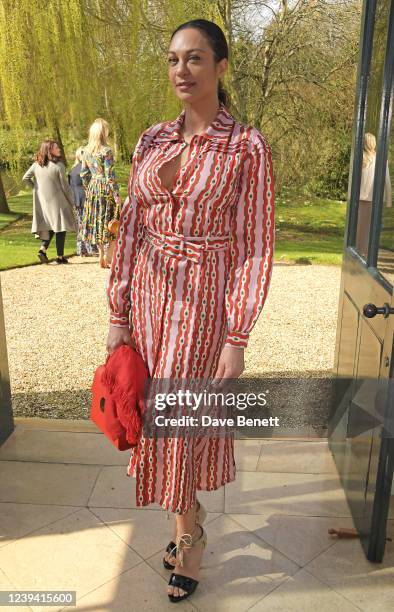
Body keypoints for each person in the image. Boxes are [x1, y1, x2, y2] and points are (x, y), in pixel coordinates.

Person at [105, 19, 275, 603]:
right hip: (150, 301)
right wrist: (118, 311)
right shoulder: (151, 140)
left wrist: (238, 334)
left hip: (204, 305)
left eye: (196, 59)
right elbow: (130, 228)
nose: (182, 70)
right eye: (174, 59)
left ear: (221, 67)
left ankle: (190, 535)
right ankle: (188, 524)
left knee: (181, 423)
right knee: (159, 416)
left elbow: (255, 245)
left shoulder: (245, 147)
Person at [22, 140, 76, 264]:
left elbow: (25, 178)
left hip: (43, 203)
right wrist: (72, 202)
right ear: (49, 150)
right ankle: (60, 257)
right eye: (56, 148)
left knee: (52, 225)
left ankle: (42, 249)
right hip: (58, 202)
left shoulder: (36, 165)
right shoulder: (59, 166)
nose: (59, 149)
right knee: (60, 227)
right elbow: (65, 187)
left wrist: (36, 189)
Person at [79, 118, 122, 268]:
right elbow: (110, 176)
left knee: (96, 221)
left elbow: (83, 174)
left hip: (93, 188)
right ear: (103, 132)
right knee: (111, 221)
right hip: (105, 188)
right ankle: (108, 256)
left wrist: (88, 188)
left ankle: (100, 254)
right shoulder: (106, 151)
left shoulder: (85, 151)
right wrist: (117, 196)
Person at [356, 132, 392, 257]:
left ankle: (361, 252)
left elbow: (356, 180)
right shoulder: (380, 159)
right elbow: (386, 180)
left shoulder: (360, 158)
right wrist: (388, 200)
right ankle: (366, 252)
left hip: (362, 198)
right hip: (375, 199)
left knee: (361, 228)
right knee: (371, 227)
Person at [68, 147, 99, 257]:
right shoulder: (85, 169)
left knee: (81, 224)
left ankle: (81, 249)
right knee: (88, 224)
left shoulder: (72, 170)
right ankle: (91, 248)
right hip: (86, 198)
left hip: (76, 200)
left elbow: (70, 187)